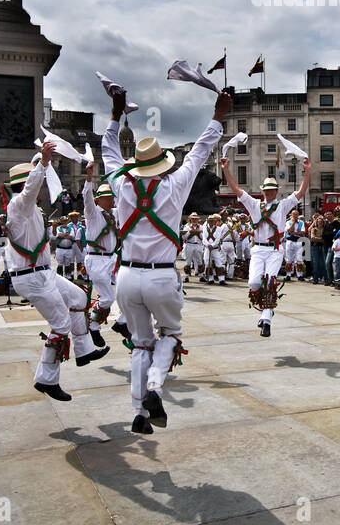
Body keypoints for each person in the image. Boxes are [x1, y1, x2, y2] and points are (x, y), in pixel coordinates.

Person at [104, 86, 231, 432]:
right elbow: (201, 151)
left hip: (127, 279)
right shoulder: (175, 187)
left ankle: (139, 414)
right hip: (161, 277)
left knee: (141, 342)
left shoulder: (121, 186)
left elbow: (109, 153)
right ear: (161, 165)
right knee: (171, 334)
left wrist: (115, 115)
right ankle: (155, 388)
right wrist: (218, 117)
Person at [6, 146, 109, 399]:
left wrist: (44, 165)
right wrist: (42, 163)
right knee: (60, 323)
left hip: (43, 272)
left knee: (78, 297)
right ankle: (46, 379)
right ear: (26, 185)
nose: (40, 189)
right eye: (37, 184)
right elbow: (29, 190)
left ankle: (84, 351)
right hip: (31, 277)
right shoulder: (19, 205)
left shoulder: (29, 210)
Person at [220, 158, 311, 338]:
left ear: (277, 191)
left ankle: (266, 320)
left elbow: (300, 192)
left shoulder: (283, 205)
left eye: (272, 190)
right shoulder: (254, 204)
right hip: (258, 250)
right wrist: (225, 169)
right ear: (262, 191)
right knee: (254, 283)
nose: (269, 193)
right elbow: (236, 189)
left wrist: (307, 171)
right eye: (266, 190)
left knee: (269, 281)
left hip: (275, 250)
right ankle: (265, 310)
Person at [82, 168, 119, 347]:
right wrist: (89, 178)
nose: (112, 200)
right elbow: (87, 197)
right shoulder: (92, 213)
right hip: (97, 259)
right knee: (107, 299)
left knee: (133, 288)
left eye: (112, 197)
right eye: (108, 198)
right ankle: (94, 326)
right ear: (98, 200)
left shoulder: (113, 214)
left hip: (113, 259)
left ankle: (123, 323)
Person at [181, 212, 205, 279]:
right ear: (190, 219)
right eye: (193, 219)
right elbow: (184, 237)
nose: (194, 220)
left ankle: (201, 276)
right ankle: (187, 276)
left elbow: (203, 238)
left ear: (198, 220)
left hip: (198, 245)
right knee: (188, 261)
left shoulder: (201, 227)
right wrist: (190, 232)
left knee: (200, 260)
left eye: (196, 219)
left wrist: (198, 233)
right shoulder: (187, 226)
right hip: (189, 244)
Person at [308, 210, 327, 283]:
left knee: (323, 263)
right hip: (314, 247)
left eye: (321, 222)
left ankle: (324, 278)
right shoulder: (314, 229)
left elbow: (325, 238)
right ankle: (315, 279)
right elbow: (312, 238)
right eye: (318, 221)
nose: (320, 223)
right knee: (315, 263)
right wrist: (321, 239)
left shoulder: (325, 228)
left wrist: (318, 239)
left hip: (322, 247)